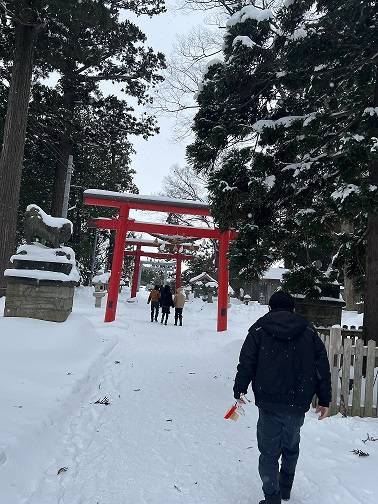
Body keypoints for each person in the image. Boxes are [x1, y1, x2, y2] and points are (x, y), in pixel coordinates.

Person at [233, 291, 331, 504]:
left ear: (270, 308)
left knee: (268, 452)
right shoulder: (308, 331)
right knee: (291, 447)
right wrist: (324, 399)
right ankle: (285, 488)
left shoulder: (259, 329)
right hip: (297, 401)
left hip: (268, 401)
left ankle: (272, 496)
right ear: (292, 308)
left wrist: (240, 389)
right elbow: (321, 366)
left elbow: (247, 362)